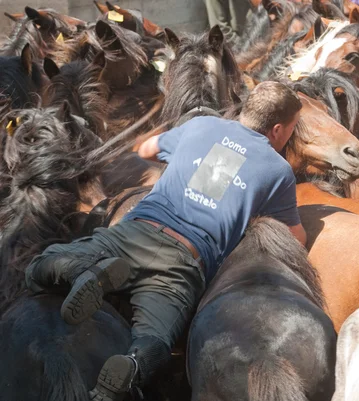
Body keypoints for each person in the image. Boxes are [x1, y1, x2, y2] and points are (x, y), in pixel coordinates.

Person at [25, 81, 306, 401]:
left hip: (134, 233)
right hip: (183, 262)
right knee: (157, 342)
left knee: (39, 264)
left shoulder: (201, 125)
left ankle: (80, 271)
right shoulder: (278, 170)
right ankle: (129, 366)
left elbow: (145, 150)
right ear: (278, 129)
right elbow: (294, 237)